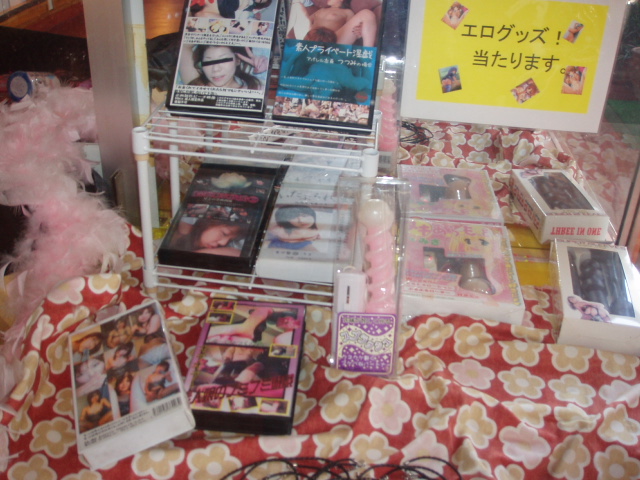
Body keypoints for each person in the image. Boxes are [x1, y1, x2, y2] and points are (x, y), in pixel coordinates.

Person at [287, 0, 379, 47]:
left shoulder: (346, 12)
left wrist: (359, 30)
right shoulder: (321, 10)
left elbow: (351, 29)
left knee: (367, 14)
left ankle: (367, 56)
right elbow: (306, 22)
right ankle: (287, 41)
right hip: (311, 38)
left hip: (332, 40)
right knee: (297, 5)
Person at [188, 45, 268, 90]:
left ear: (237, 60)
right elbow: (185, 45)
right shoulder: (196, 85)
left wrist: (269, 65)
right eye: (208, 62)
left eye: (223, 60)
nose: (215, 69)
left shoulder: (254, 89)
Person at [172, 217, 249, 256]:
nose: (224, 243)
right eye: (224, 233)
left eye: (230, 240)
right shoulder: (183, 229)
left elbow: (240, 254)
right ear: (209, 223)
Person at [190, 0, 274, 21]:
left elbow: (246, 12)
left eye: (261, 0)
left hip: (228, 8)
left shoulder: (252, 6)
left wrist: (255, 15)